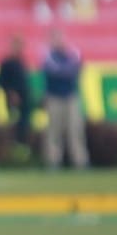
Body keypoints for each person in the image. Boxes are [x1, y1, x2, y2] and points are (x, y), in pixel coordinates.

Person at [41, 29, 88, 169]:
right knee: (54, 131)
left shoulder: (71, 54)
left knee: (75, 129)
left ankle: (80, 161)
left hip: (70, 96)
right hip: (54, 97)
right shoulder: (48, 56)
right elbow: (59, 70)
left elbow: (74, 69)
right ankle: (53, 161)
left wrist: (65, 71)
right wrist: (67, 70)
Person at [0, 33, 32, 151]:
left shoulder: (22, 61)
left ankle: (21, 146)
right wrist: (11, 93)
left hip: (24, 99)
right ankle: (10, 148)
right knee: (13, 125)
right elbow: (1, 82)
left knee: (24, 123)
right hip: (12, 99)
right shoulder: (7, 62)